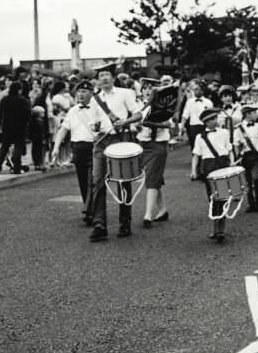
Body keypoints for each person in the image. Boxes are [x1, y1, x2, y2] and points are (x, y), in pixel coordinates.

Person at [88, 67, 143, 241]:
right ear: (97, 80)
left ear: (113, 78)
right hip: (101, 141)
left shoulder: (125, 93)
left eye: (107, 75)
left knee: (122, 180)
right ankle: (99, 224)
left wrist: (125, 121)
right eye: (100, 76)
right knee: (97, 181)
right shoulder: (95, 99)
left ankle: (125, 222)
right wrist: (94, 127)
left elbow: (139, 114)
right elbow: (92, 121)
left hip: (120, 138)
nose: (104, 78)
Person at [52, 81, 111, 225]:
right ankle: (90, 208)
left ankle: (89, 210)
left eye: (84, 92)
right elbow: (63, 129)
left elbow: (107, 128)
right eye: (79, 91)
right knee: (83, 181)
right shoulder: (73, 111)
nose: (80, 94)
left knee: (93, 180)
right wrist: (56, 147)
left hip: (94, 147)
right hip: (77, 148)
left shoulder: (98, 109)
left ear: (92, 93)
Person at [191, 107, 232, 242]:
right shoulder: (200, 137)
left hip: (223, 164)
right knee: (213, 198)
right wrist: (193, 170)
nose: (215, 121)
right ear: (206, 122)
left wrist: (232, 164)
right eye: (212, 120)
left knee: (224, 197)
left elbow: (229, 149)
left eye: (215, 118)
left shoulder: (225, 132)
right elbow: (196, 155)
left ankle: (221, 229)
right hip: (209, 167)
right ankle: (215, 227)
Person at [137, 80, 173, 228]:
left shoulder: (163, 105)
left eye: (151, 88)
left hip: (158, 143)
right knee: (154, 176)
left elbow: (168, 124)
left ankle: (148, 214)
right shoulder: (139, 105)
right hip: (143, 144)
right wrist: (136, 126)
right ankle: (163, 210)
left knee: (152, 177)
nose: (147, 91)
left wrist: (151, 123)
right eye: (145, 88)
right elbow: (135, 123)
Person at [0, 81, 31, 174]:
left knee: (4, 148)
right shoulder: (23, 100)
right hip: (20, 126)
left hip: (6, 126)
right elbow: (27, 114)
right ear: (19, 90)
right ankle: (16, 168)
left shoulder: (4, 100)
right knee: (18, 147)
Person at [234, 102, 258, 213]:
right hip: (245, 156)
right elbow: (236, 144)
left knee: (256, 178)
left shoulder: (257, 127)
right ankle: (251, 204)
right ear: (247, 114)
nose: (256, 114)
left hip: (256, 155)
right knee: (247, 181)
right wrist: (237, 158)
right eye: (254, 112)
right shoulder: (238, 129)